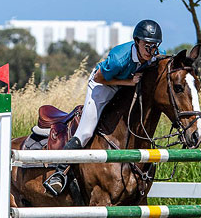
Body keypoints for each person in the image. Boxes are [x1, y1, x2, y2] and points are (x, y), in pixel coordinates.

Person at [43, 19, 164, 196]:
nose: (151, 51)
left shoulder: (155, 53)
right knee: (85, 133)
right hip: (103, 86)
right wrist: (128, 82)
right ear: (136, 41)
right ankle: (59, 173)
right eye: (147, 46)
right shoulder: (119, 58)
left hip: (126, 87)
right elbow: (100, 78)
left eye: (155, 46)